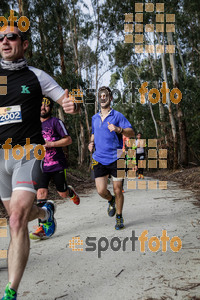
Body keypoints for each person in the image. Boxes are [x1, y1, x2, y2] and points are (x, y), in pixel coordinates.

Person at [0, 22, 79, 300]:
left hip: (28, 151)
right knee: (16, 217)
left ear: (24, 44)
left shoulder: (36, 76)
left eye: (12, 37)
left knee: (17, 219)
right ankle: (45, 213)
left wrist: (70, 104)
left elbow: (65, 98)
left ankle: (11, 291)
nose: (5, 41)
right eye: (1, 38)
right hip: (1, 157)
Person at [29, 97, 80, 240]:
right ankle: (42, 227)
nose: (43, 108)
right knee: (41, 193)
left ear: (50, 108)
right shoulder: (32, 125)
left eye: (46, 105)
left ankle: (70, 192)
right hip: (40, 164)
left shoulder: (56, 122)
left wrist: (51, 144)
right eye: (40, 105)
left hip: (57, 163)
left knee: (62, 193)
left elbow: (68, 140)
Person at [88, 86, 134, 230]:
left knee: (118, 189)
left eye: (105, 95)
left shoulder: (117, 116)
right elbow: (94, 133)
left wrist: (119, 129)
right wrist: (91, 142)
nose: (103, 97)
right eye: (100, 95)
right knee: (101, 190)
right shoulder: (94, 118)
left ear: (110, 98)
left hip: (117, 156)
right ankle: (111, 200)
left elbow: (131, 132)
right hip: (99, 157)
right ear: (98, 98)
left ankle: (119, 217)